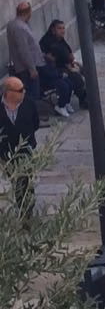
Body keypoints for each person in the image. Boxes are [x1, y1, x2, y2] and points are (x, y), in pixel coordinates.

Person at [7, 2, 73, 117]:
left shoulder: (16, 24)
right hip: (29, 67)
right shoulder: (19, 27)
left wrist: (43, 55)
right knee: (33, 94)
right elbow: (24, 51)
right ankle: (32, 117)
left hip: (35, 63)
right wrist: (32, 69)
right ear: (28, 13)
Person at [0, 75, 40, 214]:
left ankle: (27, 211)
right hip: (6, 153)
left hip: (25, 150)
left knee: (25, 180)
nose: (24, 92)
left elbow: (36, 123)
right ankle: (20, 208)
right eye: (20, 90)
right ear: (8, 93)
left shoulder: (29, 104)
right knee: (15, 182)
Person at [39, 19, 88, 109]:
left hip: (65, 65)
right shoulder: (48, 41)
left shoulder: (60, 40)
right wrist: (69, 64)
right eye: (59, 28)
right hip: (55, 70)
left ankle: (86, 95)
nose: (62, 31)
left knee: (83, 70)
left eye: (63, 28)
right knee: (75, 76)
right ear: (53, 30)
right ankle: (83, 99)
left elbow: (67, 52)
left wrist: (72, 61)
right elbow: (57, 56)